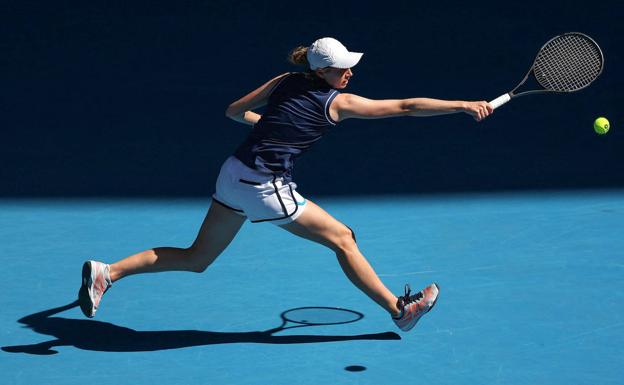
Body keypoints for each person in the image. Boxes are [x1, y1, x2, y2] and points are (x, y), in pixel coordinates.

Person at [78, 37, 492, 332]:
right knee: (343, 239)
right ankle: (400, 311)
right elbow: (403, 107)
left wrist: (273, 129)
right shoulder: (340, 103)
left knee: (197, 258)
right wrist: (462, 105)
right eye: (342, 67)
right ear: (321, 70)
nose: (349, 72)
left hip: (233, 172)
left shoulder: (283, 81)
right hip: (262, 185)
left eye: (350, 65)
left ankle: (107, 273)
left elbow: (234, 112)